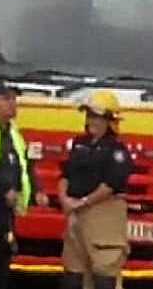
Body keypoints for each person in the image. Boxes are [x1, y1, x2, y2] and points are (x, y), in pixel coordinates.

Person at [0, 80, 49, 289]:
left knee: (0, 269)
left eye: (14, 99)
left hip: (4, 213)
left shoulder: (13, 132)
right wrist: (6, 189)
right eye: (7, 99)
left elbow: (25, 165)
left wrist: (37, 191)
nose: (13, 104)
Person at [58, 90, 133, 289]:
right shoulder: (78, 144)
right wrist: (64, 199)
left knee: (104, 271)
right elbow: (65, 174)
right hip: (75, 216)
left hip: (104, 216)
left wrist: (82, 203)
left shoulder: (117, 151)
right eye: (89, 115)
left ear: (110, 121)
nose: (91, 120)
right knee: (73, 274)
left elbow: (110, 185)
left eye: (97, 117)